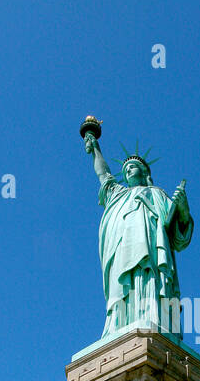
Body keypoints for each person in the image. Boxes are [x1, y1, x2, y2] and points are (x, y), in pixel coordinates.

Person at [82, 125, 193, 342]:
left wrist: (183, 209)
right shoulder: (117, 194)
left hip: (151, 252)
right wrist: (95, 149)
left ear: (145, 172)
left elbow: (178, 235)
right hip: (122, 252)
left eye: (132, 167)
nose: (128, 171)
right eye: (125, 170)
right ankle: (119, 326)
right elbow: (103, 174)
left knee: (150, 280)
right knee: (124, 287)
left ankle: (153, 320)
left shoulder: (157, 194)